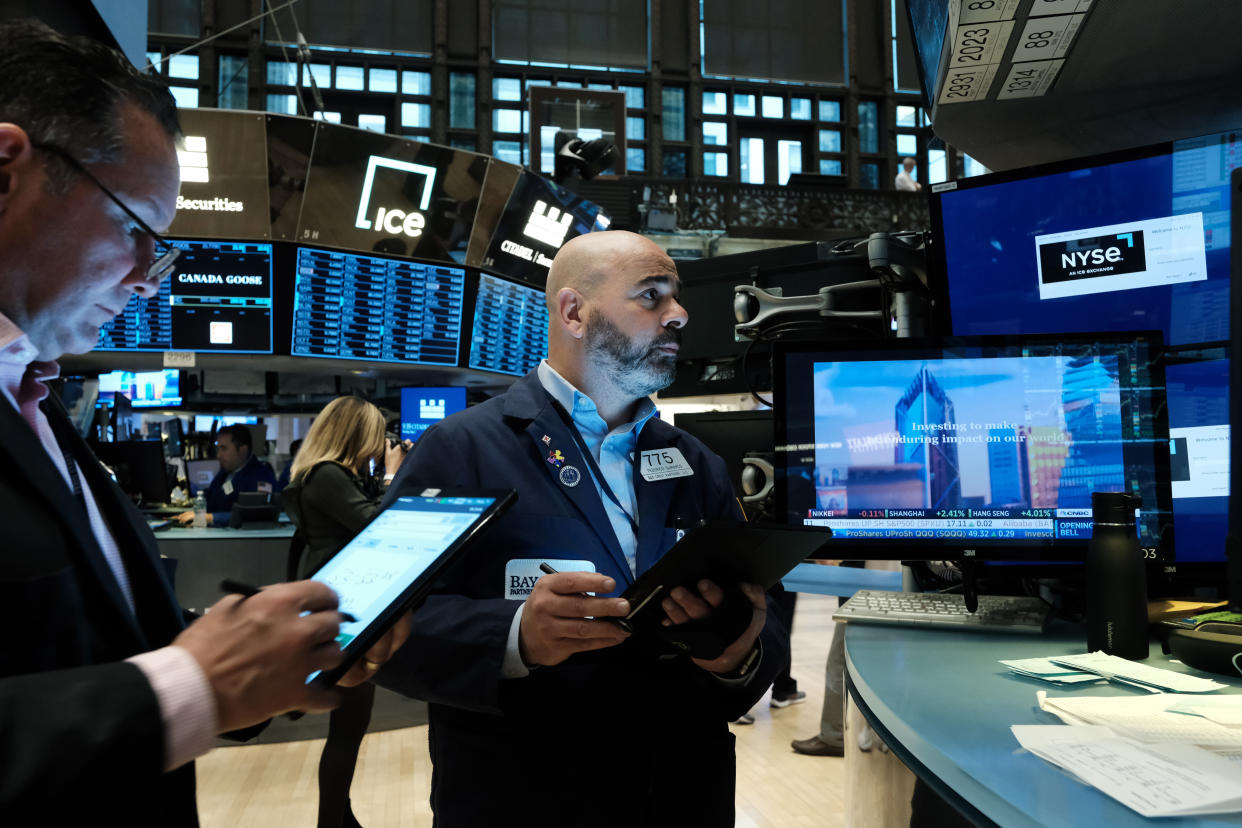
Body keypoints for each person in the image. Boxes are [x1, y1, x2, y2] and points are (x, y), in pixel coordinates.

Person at [0, 19, 406, 824]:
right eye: (134, 231)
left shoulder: (40, 406)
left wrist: (256, 666)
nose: (148, 281)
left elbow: (84, 643)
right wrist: (192, 686)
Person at [377, 229, 788, 827]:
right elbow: (382, 622)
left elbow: (764, 611)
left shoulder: (695, 462)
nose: (678, 316)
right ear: (574, 311)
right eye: (651, 296)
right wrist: (516, 635)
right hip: (523, 798)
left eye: (676, 298)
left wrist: (735, 652)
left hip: (681, 794)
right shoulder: (461, 449)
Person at [283, 396, 410, 828]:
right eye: (374, 437)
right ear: (355, 434)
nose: (379, 446)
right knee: (349, 723)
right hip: (340, 601)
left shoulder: (319, 474)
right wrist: (394, 473)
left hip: (334, 594)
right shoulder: (327, 475)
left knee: (349, 721)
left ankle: (340, 816)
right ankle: (333, 821)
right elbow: (378, 525)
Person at [191, 424, 278, 525]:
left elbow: (256, 515)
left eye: (224, 448)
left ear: (242, 450)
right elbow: (210, 500)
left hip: (242, 539)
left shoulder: (261, 477)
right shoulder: (224, 473)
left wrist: (212, 518)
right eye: (218, 448)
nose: (218, 455)